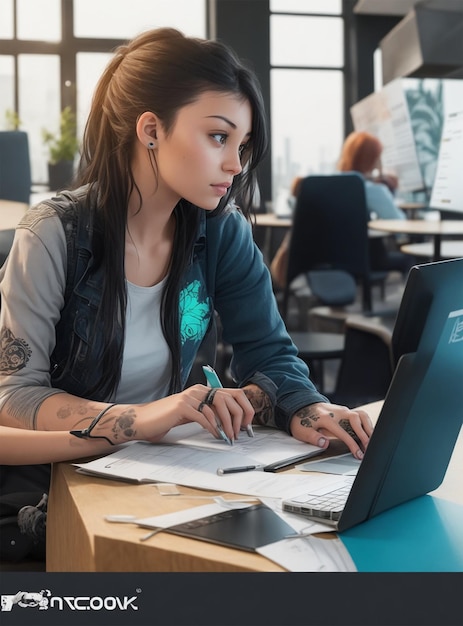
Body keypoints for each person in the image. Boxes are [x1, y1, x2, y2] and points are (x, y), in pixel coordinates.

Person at [0, 28, 372, 488]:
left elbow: (271, 355)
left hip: (160, 473)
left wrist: (310, 409)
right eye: (219, 136)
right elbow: (14, 396)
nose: (235, 164)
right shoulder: (52, 234)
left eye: (242, 144)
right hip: (53, 486)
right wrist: (142, 418)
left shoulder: (220, 231)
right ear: (152, 130)